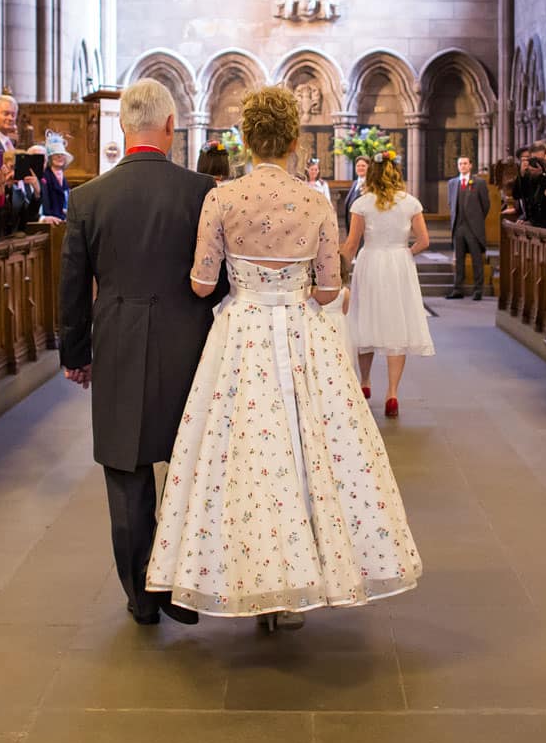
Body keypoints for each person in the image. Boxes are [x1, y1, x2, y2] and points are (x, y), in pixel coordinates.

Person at [145, 84, 421, 629]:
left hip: (241, 334)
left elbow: (202, 284)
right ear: (294, 140)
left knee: (241, 454)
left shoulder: (220, 199)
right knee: (309, 452)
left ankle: (247, 574)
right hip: (301, 338)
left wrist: (240, 278)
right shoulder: (316, 201)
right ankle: (303, 578)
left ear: (246, 140)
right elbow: (326, 290)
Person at [55, 79, 218, 627]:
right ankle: (180, 582)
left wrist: (75, 353)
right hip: (188, 340)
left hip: (119, 338)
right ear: (171, 126)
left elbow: (73, 286)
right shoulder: (200, 191)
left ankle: (140, 595)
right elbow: (215, 280)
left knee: (126, 469)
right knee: (187, 461)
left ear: (123, 127)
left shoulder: (88, 197)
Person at [344, 151, 434, 415]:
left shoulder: (362, 204)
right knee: (396, 322)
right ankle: (392, 394)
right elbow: (424, 240)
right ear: (397, 173)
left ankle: (364, 382)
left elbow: (351, 244)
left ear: (371, 174)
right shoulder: (411, 203)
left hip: (370, 261)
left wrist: (335, 269)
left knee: (364, 319)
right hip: (398, 264)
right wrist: (407, 252)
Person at [446, 154, 490, 300]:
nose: (463, 166)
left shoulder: (479, 183)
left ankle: (478, 290)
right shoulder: (452, 183)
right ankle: (457, 289)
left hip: (473, 228)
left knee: (477, 260)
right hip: (458, 227)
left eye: (465, 163)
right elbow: (451, 203)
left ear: (471, 165)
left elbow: (486, 205)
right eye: (460, 164)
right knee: (459, 260)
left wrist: (476, 220)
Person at [40, 132, 72, 223]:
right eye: (56, 154)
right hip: (50, 221)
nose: (59, 157)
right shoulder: (44, 176)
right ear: (49, 158)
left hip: (62, 220)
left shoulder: (62, 175)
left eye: (62, 154)